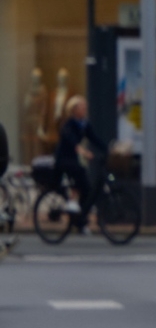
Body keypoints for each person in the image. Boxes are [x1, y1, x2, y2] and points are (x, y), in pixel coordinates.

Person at [53, 93, 94, 231]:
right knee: (80, 172)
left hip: (73, 160)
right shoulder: (68, 125)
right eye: (82, 107)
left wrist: (107, 149)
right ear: (74, 109)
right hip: (63, 160)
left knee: (87, 188)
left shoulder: (83, 124)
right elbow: (71, 141)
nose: (85, 109)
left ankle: (80, 220)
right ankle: (71, 201)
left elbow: (94, 138)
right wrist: (83, 151)